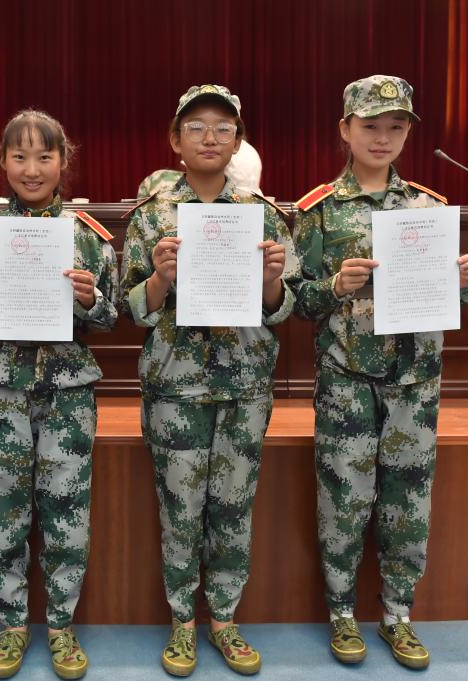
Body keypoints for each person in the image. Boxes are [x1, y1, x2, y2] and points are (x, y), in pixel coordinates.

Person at [290, 75, 468, 670]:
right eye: (370, 126)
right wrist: (333, 285)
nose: (383, 137)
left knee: (408, 501)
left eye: (395, 127)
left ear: (407, 133)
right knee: (344, 500)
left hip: (414, 380)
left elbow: (445, 301)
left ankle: (398, 614)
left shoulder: (429, 208)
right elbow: (294, 300)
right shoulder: (319, 210)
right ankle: (342, 613)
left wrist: (461, 283)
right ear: (345, 130)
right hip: (346, 379)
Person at [119, 84, 298, 677]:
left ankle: (223, 618)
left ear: (238, 141)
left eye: (224, 128)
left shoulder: (262, 215)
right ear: (176, 139)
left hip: (244, 384)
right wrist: (161, 279)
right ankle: (182, 621)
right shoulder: (151, 215)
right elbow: (130, 306)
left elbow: (283, 308)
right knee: (180, 507)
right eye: (196, 127)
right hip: (176, 385)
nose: (210, 137)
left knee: (233, 506)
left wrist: (271, 280)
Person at [0, 109, 118, 680]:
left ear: (64, 162)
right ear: (2, 162)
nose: (32, 168)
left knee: (68, 512)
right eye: (19, 156)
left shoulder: (88, 237)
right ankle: (13, 623)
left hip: (67, 392)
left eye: (45, 156)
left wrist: (90, 299)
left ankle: (61, 625)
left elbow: (111, 318)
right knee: (1, 512)